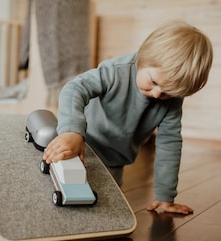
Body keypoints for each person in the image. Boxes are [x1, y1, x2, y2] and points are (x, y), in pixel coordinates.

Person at [42, 20, 213, 215]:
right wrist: (71, 132)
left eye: (167, 93)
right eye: (154, 82)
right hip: (80, 144)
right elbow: (75, 88)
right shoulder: (116, 71)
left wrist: (165, 195)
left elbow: (169, 145)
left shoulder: (172, 102)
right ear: (144, 56)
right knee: (55, 192)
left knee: (102, 209)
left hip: (115, 161)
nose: (157, 94)